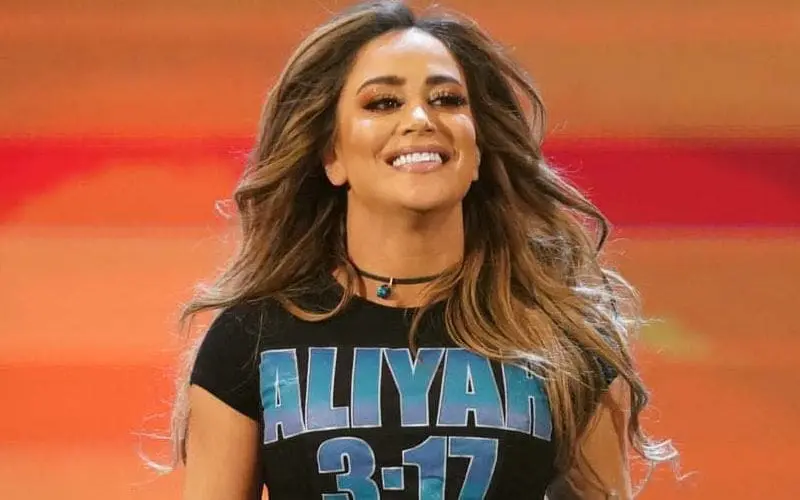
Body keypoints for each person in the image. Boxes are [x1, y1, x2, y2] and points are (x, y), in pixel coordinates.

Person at [170, 1, 677, 498]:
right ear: (331, 155)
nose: (420, 118)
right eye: (383, 103)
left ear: (476, 151)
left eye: (447, 100)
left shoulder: (562, 333)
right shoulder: (251, 339)